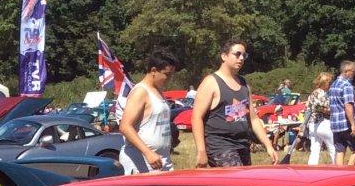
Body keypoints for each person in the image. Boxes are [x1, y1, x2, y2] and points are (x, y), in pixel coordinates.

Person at [191, 38, 276, 167]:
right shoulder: (211, 82)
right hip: (219, 145)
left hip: (242, 144)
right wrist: (201, 150)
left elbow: (252, 118)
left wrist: (268, 145)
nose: (241, 58)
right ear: (224, 56)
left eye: (244, 55)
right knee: (237, 178)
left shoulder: (244, 84)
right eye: (237, 54)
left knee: (244, 185)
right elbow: (196, 117)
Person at [117, 49, 180, 174]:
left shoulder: (158, 90)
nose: (169, 78)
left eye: (172, 74)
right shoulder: (140, 92)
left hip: (162, 160)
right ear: (153, 71)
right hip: (141, 162)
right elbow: (125, 126)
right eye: (167, 74)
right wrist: (148, 152)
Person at [329, 60, 355, 165]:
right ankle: (349, 170)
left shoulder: (333, 85)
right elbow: (348, 105)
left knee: (340, 150)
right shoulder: (346, 85)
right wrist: (353, 124)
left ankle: (339, 173)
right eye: (353, 71)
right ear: (346, 72)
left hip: (335, 124)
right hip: (345, 123)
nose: (354, 74)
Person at [302, 72, 335, 165]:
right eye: (329, 83)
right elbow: (321, 108)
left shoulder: (313, 93)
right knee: (333, 148)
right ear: (324, 82)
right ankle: (338, 167)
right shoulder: (323, 93)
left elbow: (308, 108)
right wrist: (332, 111)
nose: (330, 85)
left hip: (312, 124)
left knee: (314, 150)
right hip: (323, 122)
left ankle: (311, 171)